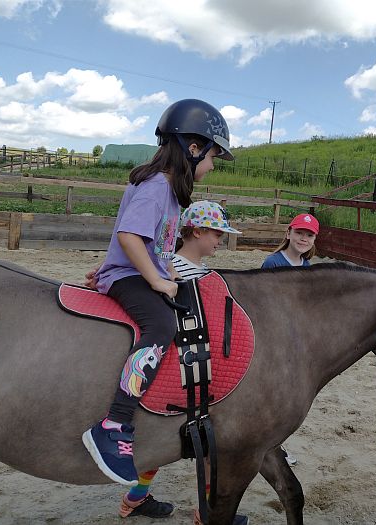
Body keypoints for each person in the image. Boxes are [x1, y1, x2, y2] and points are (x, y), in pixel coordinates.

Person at [81, 99, 234, 492]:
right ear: (193, 148)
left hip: (134, 270)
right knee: (162, 324)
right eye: (212, 156)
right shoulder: (157, 187)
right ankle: (115, 422)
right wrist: (156, 280)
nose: (212, 166)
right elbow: (129, 236)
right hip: (131, 275)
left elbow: (155, 246)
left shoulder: (166, 190)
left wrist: (167, 272)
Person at [113, 201, 247, 524]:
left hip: (191, 360)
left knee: (164, 444)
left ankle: (135, 498)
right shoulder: (171, 269)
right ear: (197, 232)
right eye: (217, 234)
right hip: (184, 364)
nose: (220, 240)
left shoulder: (201, 271)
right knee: (208, 444)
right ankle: (208, 513)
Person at [260, 212, 320, 466]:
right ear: (288, 233)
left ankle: (277, 445)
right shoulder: (272, 263)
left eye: (309, 235)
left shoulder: (307, 268)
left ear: (314, 239)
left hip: (294, 339)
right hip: (274, 336)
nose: (303, 239)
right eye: (299, 233)